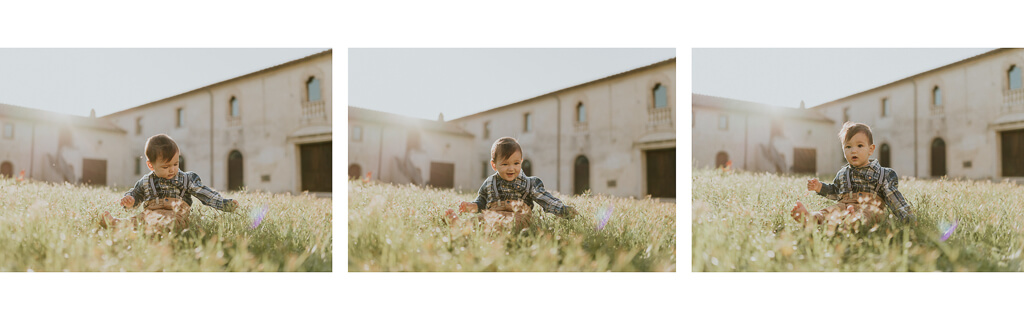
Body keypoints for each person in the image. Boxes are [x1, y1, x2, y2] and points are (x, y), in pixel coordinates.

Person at [101, 134, 238, 231]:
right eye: (165, 167)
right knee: (138, 219)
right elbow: (135, 194)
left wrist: (224, 204)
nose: (172, 170)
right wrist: (130, 201)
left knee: (166, 223)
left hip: (176, 215)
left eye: (176, 164)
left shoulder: (186, 179)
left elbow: (204, 193)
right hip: (150, 214)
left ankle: (146, 233)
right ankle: (116, 223)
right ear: (151, 165)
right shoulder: (146, 181)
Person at [790, 122, 914, 227]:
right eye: (848, 147)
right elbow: (836, 191)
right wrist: (819, 187)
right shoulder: (843, 173)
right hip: (844, 205)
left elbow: (894, 199)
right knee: (830, 211)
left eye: (860, 145)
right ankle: (810, 218)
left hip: (870, 207)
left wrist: (907, 219)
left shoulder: (883, 174)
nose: (853, 150)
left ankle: (854, 221)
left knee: (868, 215)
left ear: (871, 149)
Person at [450, 137, 577, 227]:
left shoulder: (530, 183)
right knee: (479, 219)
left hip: (519, 217)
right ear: (494, 165)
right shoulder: (489, 183)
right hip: (493, 215)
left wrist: (562, 210)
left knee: (511, 222)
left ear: (521, 161)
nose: (511, 168)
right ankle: (460, 226)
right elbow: (482, 201)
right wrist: (473, 206)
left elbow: (545, 199)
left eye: (516, 163)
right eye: (505, 164)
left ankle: (492, 230)